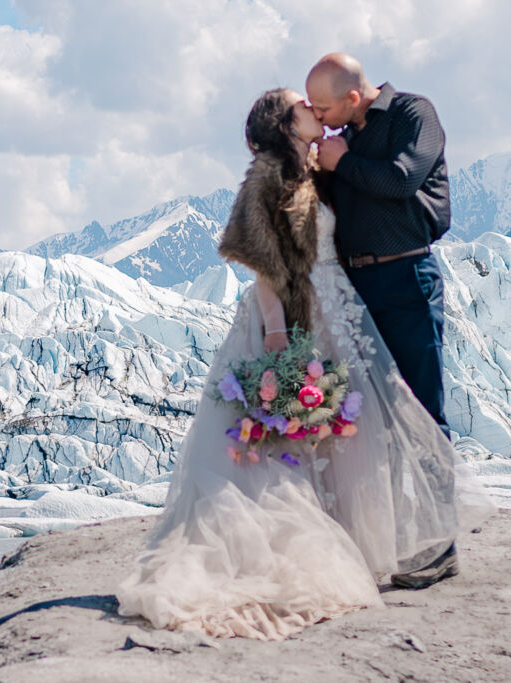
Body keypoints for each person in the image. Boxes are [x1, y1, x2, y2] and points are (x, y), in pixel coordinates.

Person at [115, 88, 494, 641]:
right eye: (303, 105)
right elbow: (267, 262)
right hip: (292, 317)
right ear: (284, 122)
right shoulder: (272, 175)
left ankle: (343, 542)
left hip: (331, 312)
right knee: (284, 439)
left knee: (332, 436)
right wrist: (277, 336)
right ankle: (279, 553)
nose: (315, 110)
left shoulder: (311, 168)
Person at [307, 53, 455, 588]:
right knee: (376, 425)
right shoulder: (338, 141)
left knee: (423, 412)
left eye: (324, 107)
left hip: (406, 279)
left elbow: (399, 179)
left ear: (352, 95)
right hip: (357, 289)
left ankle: (440, 548)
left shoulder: (414, 113)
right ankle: (397, 542)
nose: (320, 118)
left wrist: (342, 162)